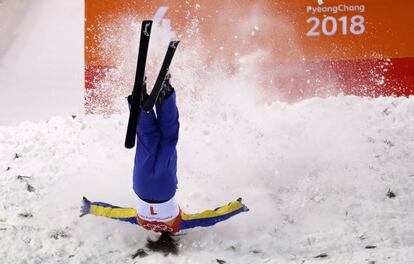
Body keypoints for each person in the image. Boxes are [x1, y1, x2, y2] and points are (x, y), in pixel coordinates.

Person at [81, 74, 248, 252]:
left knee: (168, 140)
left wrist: (237, 207)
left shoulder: (178, 224)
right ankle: (140, 101)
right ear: (156, 237)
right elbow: (114, 213)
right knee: (147, 140)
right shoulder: (141, 221)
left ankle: (166, 95)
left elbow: (210, 218)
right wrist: (90, 207)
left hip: (164, 187)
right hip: (142, 185)